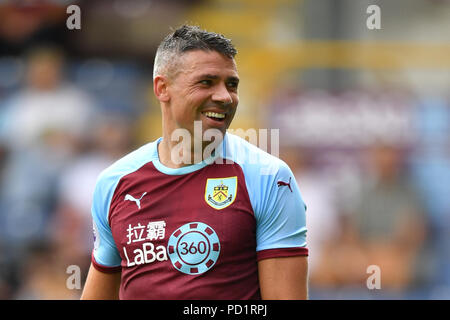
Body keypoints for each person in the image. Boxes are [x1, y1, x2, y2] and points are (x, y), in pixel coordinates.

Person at [81, 25, 308, 300]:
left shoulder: (268, 178)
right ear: (162, 88)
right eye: (207, 82)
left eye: (232, 84)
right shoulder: (114, 182)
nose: (225, 97)